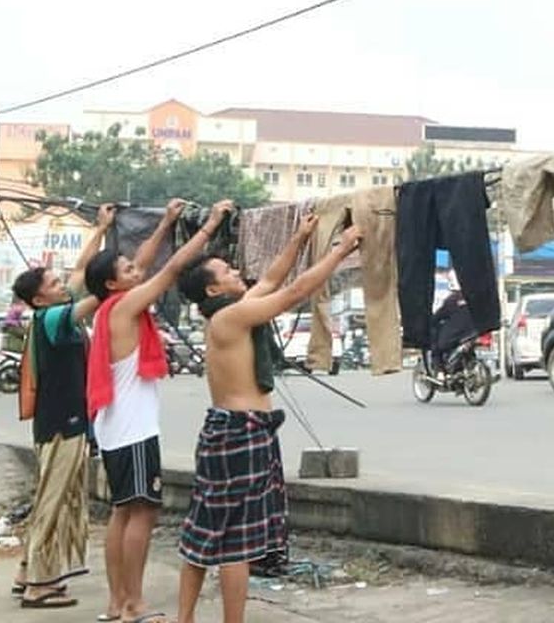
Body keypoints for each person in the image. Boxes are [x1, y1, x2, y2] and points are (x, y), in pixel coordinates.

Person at [174, 217, 361, 623]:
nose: (237, 272)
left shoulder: (230, 312)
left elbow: (274, 279)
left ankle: (184, 619)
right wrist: (341, 250)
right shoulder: (231, 319)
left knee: (205, 531)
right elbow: (293, 292)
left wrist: (300, 237)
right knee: (234, 543)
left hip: (232, 430)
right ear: (212, 289)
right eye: (227, 271)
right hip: (242, 433)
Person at [83, 199, 234, 623]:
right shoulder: (126, 307)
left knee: (123, 510)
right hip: (132, 429)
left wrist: (167, 223)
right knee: (142, 513)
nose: (137, 271)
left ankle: (117, 602)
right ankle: (134, 604)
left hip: (115, 426)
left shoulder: (110, 305)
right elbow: (168, 272)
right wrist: (210, 226)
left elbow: (147, 263)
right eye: (128, 271)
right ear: (114, 284)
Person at [10, 203, 115, 609]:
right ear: (40, 297)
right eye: (54, 283)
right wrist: (116, 281)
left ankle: (26, 570)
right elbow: (91, 295)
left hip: (61, 422)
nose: (63, 284)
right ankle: (39, 584)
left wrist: (101, 229)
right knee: (54, 501)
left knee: (50, 497)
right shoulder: (53, 318)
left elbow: (78, 273)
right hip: (61, 424)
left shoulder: (46, 314)